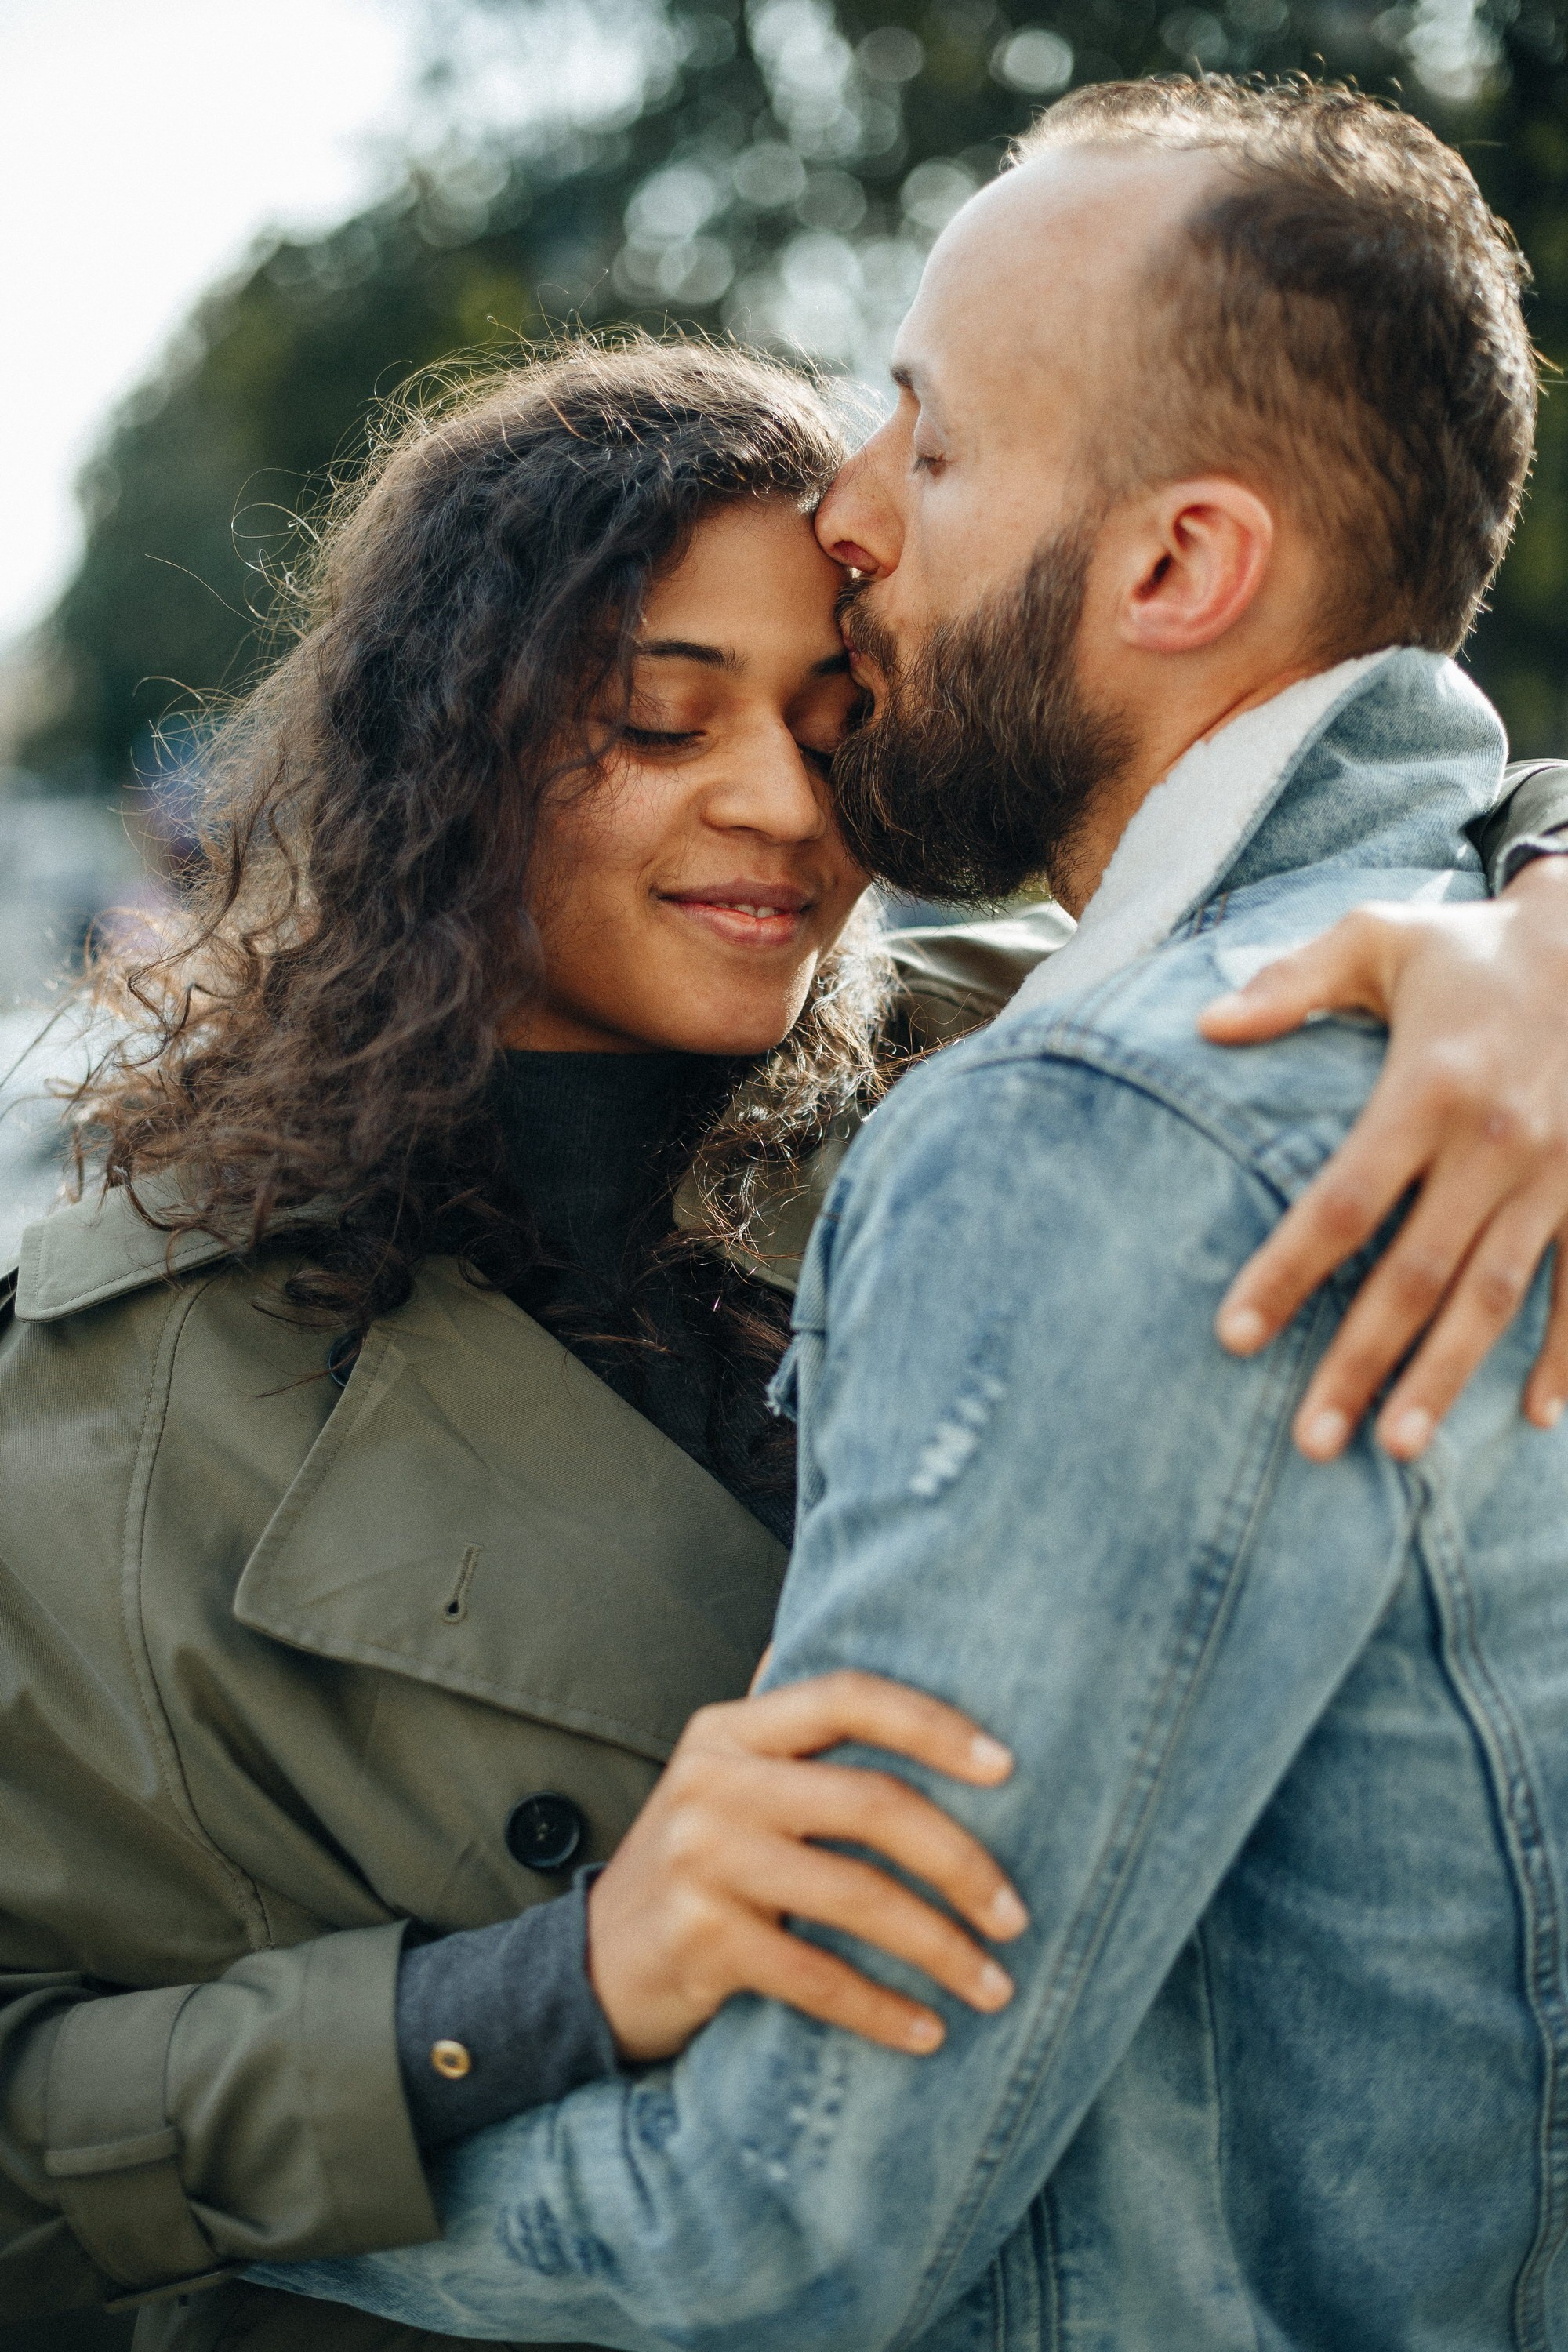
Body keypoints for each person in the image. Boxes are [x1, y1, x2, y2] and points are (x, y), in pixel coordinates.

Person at [0, 306, 1562, 2352]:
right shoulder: (98, 1398)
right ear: (443, 747)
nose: (782, 808)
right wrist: (528, 1995)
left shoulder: (1039, 1063)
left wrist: (1544, 915)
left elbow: (1415, 799)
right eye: (661, 721)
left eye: (838, 724)